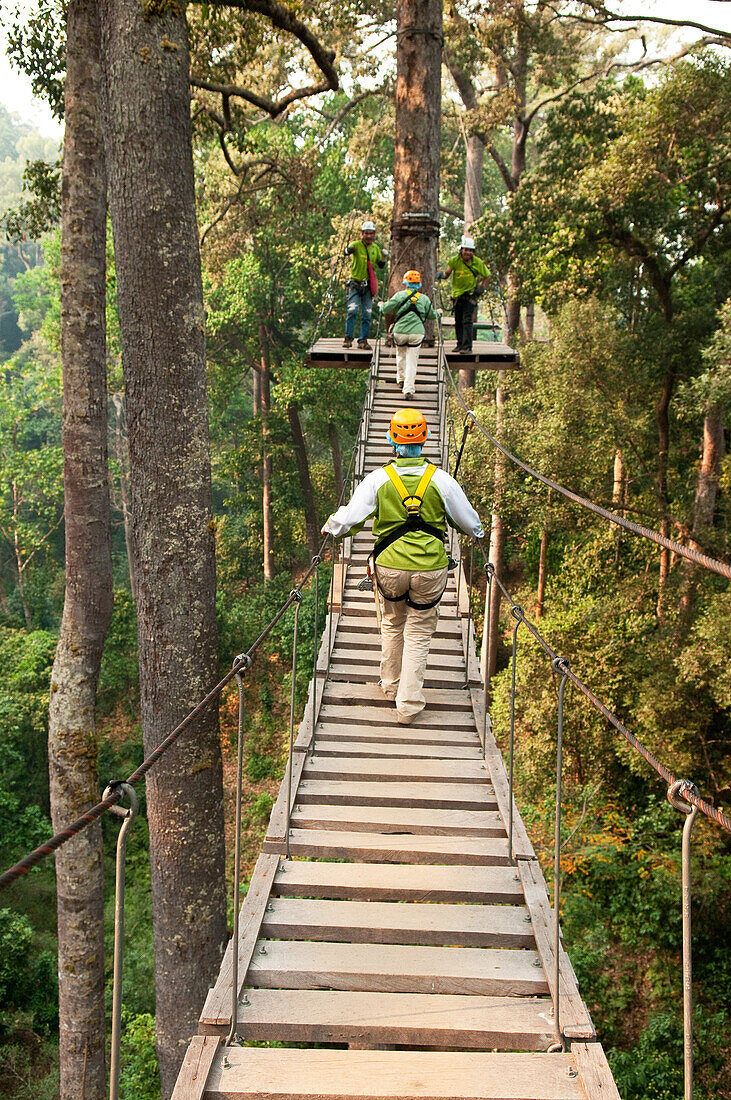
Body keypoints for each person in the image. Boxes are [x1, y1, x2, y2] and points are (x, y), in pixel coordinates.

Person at [321, 407, 484, 724]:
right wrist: (477, 532)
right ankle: (408, 705)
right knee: (419, 632)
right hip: (429, 569)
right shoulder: (442, 480)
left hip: (389, 568)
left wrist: (331, 526)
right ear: (424, 440)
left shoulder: (378, 479)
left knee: (392, 623)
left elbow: (350, 519)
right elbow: (469, 523)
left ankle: (390, 684)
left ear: (391, 441)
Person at [381, 271, 438, 399]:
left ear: (406, 283)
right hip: (416, 333)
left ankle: (400, 379)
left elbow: (385, 309)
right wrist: (438, 313)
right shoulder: (424, 299)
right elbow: (431, 315)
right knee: (412, 361)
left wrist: (381, 305)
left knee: (401, 354)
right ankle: (408, 390)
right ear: (419, 284)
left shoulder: (399, 295)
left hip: (400, 331)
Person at [436, 234, 489, 353]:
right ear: (461, 250)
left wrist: (482, 287)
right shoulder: (455, 261)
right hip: (457, 296)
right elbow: (447, 274)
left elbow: (486, 275)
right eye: (466, 250)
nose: (468, 253)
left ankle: (467, 347)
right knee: (458, 320)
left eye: (470, 251)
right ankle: (460, 344)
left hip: (470, 295)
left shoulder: (477, 262)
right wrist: (441, 275)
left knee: (467, 320)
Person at [343, 220, 387, 350]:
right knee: (352, 310)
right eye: (366, 233)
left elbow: (380, 265)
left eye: (371, 233)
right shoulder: (356, 245)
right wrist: (349, 250)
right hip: (355, 284)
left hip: (368, 286)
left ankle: (363, 340)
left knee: (367, 314)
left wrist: (384, 258)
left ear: (374, 234)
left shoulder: (375, 249)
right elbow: (346, 252)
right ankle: (348, 338)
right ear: (362, 234)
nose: (369, 236)